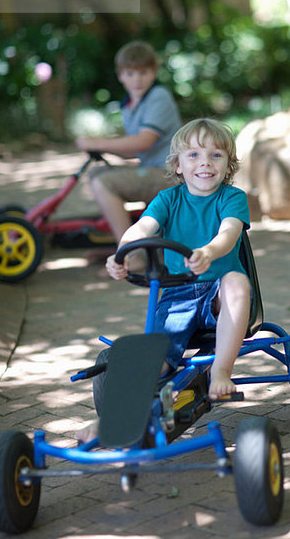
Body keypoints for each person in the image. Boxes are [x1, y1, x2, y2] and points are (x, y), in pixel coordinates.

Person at [77, 118, 251, 443]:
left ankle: (221, 371)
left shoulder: (232, 197)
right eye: (194, 155)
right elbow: (142, 229)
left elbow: (229, 233)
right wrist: (123, 254)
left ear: (228, 165)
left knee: (236, 283)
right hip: (178, 294)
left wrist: (209, 252)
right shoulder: (168, 199)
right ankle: (111, 420)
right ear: (178, 165)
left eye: (216, 156)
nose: (205, 164)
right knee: (148, 358)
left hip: (218, 292)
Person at [76, 40, 182, 246]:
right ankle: (122, 241)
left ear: (154, 72)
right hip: (151, 169)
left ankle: (131, 254)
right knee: (97, 173)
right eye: (130, 73)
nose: (137, 79)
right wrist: (101, 146)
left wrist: (98, 142)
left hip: (169, 174)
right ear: (120, 75)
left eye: (143, 72)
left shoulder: (158, 97)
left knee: (104, 182)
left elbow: (143, 142)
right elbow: (132, 150)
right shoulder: (128, 105)